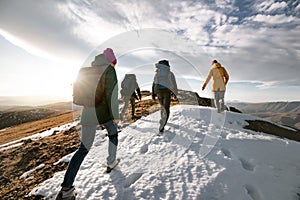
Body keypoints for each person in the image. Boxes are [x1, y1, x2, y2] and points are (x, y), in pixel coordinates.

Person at [56, 48, 119, 200]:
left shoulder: (87, 70)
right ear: (112, 61)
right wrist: (115, 116)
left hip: (88, 114)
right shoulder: (109, 70)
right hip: (105, 114)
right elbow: (112, 94)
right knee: (113, 136)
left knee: (83, 149)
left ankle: (66, 189)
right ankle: (111, 162)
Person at [152, 60, 178, 133]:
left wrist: (153, 94)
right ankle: (162, 124)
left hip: (158, 91)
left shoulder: (157, 74)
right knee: (166, 108)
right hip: (167, 91)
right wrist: (175, 93)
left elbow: (154, 83)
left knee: (162, 107)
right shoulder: (170, 74)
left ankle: (162, 120)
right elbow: (174, 83)